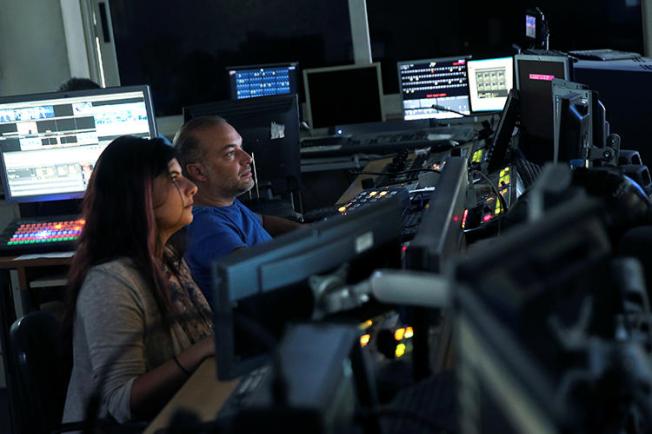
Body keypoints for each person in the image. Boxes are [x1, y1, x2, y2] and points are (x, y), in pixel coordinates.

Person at [62, 136, 214, 425]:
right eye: (173, 178)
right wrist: (202, 351)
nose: (192, 187)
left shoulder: (167, 257)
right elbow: (121, 403)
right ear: (137, 193)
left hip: (177, 410)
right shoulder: (110, 282)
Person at [173, 116, 301, 303]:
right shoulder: (205, 225)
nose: (248, 158)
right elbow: (256, 272)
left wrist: (311, 231)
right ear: (199, 172)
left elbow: (262, 221)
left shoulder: (225, 202)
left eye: (241, 147)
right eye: (230, 154)